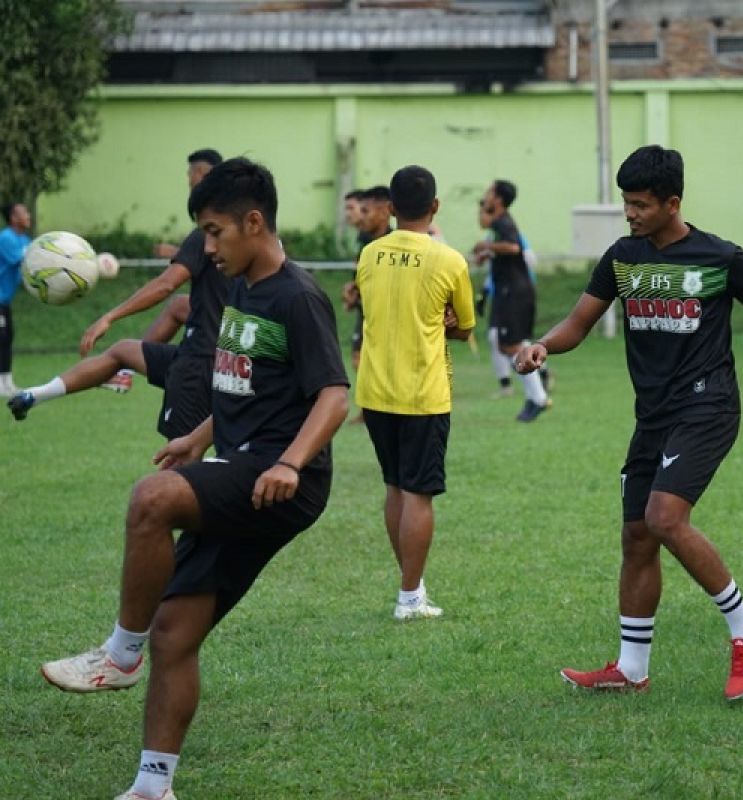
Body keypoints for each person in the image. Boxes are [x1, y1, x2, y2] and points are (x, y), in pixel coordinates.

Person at [38, 157, 349, 800]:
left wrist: (290, 462)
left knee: (151, 499)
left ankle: (120, 654)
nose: (206, 248)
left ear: (253, 222)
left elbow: (333, 398)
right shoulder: (239, 288)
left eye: (214, 232)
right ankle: (153, 787)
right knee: (176, 633)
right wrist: (199, 433)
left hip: (279, 476)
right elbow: (245, 384)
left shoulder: (298, 296)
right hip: (237, 462)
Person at [513, 145, 743, 701]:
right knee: (636, 536)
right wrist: (542, 346)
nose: (630, 214)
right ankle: (632, 668)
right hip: (652, 416)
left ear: (672, 203)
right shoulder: (623, 258)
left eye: (640, 205)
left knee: (663, 516)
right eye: (626, 204)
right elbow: (580, 322)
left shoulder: (720, 258)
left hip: (709, 406)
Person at [8, 149, 229, 438]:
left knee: (177, 471)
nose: (188, 182)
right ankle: (40, 393)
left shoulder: (204, 235)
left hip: (200, 366)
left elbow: (165, 284)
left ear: (203, 176)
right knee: (157, 324)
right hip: (235, 360)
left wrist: (110, 316)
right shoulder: (245, 233)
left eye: (190, 175)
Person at [356, 165, 475, 621]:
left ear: (390, 208)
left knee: (394, 487)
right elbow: (464, 327)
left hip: (374, 389)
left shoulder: (370, 255)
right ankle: (409, 597)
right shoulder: (448, 260)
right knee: (418, 493)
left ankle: (413, 586)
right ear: (435, 207)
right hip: (423, 391)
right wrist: (447, 320)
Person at [472, 180, 549, 422]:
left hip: (514, 291)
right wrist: (488, 252)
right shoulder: (497, 222)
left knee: (510, 345)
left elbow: (513, 246)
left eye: (489, 192)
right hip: (508, 290)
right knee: (502, 340)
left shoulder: (504, 221)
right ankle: (536, 392)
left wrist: (487, 245)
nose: (485, 196)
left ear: (499, 199)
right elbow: (487, 226)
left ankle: (538, 397)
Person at [342, 185, 393, 424]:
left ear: (384, 212)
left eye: (366, 211)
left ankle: (381, 410)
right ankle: (370, 410)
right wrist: (353, 289)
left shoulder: (393, 243)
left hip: (385, 315)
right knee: (358, 358)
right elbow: (361, 272)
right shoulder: (364, 240)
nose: (360, 217)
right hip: (365, 311)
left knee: (373, 360)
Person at [0, 202, 32, 397]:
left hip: (4, 299)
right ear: (13, 218)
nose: (28, 215)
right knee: (1, 338)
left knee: (8, 337)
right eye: (24, 212)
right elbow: (23, 261)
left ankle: (8, 382)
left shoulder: (25, 240)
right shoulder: (6, 238)